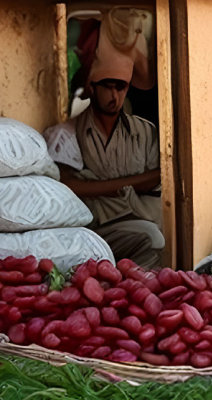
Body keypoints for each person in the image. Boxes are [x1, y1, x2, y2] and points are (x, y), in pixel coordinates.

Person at [46, 53, 163, 269]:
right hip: (90, 228)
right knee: (151, 237)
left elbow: (159, 180)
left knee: (154, 238)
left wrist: (95, 186)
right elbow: (66, 186)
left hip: (135, 221)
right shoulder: (66, 134)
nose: (114, 95)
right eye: (108, 87)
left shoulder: (145, 132)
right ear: (92, 87)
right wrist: (128, 186)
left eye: (121, 87)